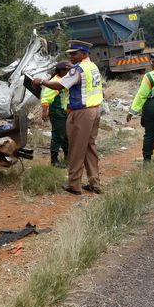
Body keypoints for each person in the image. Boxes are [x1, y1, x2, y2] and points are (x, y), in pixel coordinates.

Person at [32, 40, 103, 194]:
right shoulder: (92, 66)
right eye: (70, 54)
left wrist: (42, 81)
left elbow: (59, 85)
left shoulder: (78, 69)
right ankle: (94, 182)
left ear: (84, 54)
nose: (71, 57)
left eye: (74, 54)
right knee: (90, 146)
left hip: (81, 112)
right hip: (95, 110)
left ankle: (74, 184)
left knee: (77, 148)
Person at [41, 61, 72, 167]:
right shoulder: (55, 81)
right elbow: (46, 97)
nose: (69, 72)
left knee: (66, 135)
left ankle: (68, 157)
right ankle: (54, 161)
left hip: (64, 111)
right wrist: (44, 111)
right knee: (58, 135)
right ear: (62, 70)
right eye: (68, 70)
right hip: (57, 112)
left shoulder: (65, 80)